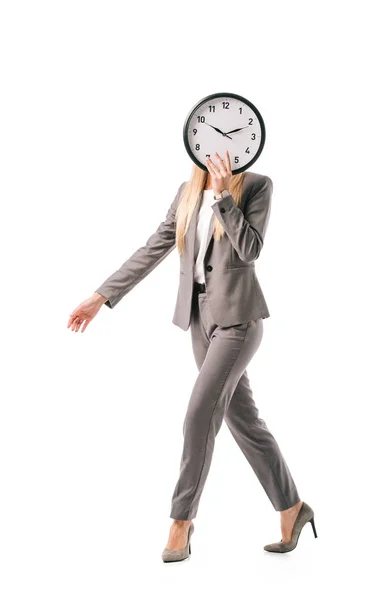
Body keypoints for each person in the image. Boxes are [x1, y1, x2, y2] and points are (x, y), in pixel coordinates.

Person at [68, 150, 317, 562]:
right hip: (199, 319)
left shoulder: (257, 186)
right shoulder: (187, 192)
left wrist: (222, 199)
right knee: (245, 422)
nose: (222, 151)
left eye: (234, 140)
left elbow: (250, 249)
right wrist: (101, 296)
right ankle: (293, 507)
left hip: (238, 321)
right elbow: (155, 247)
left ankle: (180, 523)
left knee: (199, 414)